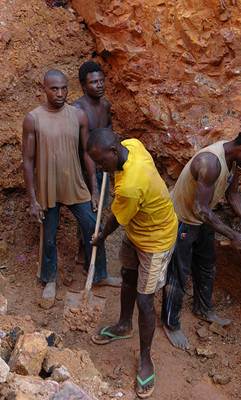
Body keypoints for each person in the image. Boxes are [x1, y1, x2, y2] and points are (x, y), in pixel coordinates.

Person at [88, 128, 177, 398]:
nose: (101, 169)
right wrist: (111, 172)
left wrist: (100, 237)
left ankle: (146, 358)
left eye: (102, 162)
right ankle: (124, 325)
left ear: (114, 152)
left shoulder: (129, 185)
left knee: (145, 299)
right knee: (127, 275)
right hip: (138, 230)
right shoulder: (132, 144)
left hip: (156, 240)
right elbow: (122, 204)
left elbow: (115, 220)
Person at [161, 126, 241, 350]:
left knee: (207, 266)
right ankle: (170, 323)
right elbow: (200, 209)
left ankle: (203, 308)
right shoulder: (209, 164)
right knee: (178, 273)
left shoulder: (234, 161)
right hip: (183, 220)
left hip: (203, 219)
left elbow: (233, 196)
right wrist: (233, 234)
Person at [22, 69, 107, 307]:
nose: (60, 93)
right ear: (44, 89)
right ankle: (49, 280)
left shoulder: (78, 116)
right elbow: (27, 161)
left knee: (94, 226)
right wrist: (32, 199)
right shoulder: (33, 119)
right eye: (54, 89)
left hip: (75, 185)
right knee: (49, 238)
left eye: (64, 88)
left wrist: (94, 188)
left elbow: (87, 152)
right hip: (47, 188)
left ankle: (100, 273)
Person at [72, 61, 120, 286]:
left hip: (103, 170)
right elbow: (84, 151)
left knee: (97, 216)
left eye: (101, 80)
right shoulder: (78, 110)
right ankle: (99, 273)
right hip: (84, 173)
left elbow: (109, 135)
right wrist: (93, 186)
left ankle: (84, 255)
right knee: (95, 221)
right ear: (83, 85)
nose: (99, 85)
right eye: (93, 82)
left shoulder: (106, 105)